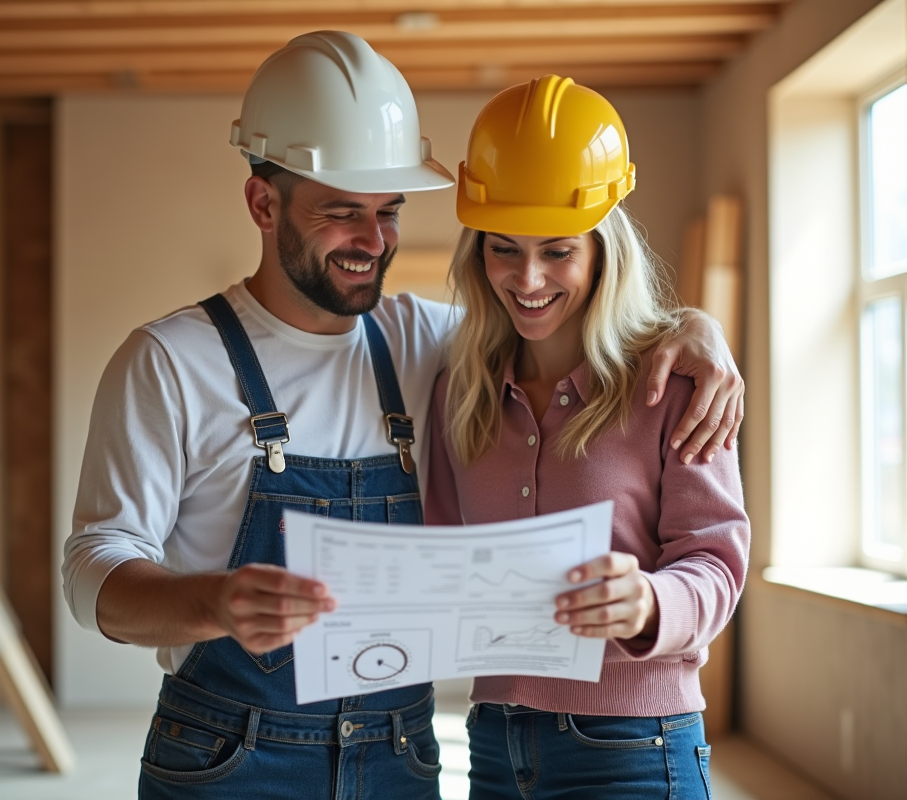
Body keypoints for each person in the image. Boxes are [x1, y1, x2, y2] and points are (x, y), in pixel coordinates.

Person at [63, 34, 744, 800]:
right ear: (263, 202)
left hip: (400, 756)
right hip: (231, 753)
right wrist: (214, 602)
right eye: (342, 214)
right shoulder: (170, 360)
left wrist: (693, 330)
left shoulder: (428, 343)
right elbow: (95, 574)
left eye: (388, 213)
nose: (374, 241)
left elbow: (565, 323)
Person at [424, 75, 750, 799]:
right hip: (493, 738)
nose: (527, 278)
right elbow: (442, 560)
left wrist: (649, 603)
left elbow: (717, 565)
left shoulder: (674, 384)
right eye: (503, 248)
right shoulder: (460, 392)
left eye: (557, 250)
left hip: (635, 745)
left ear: (604, 247)